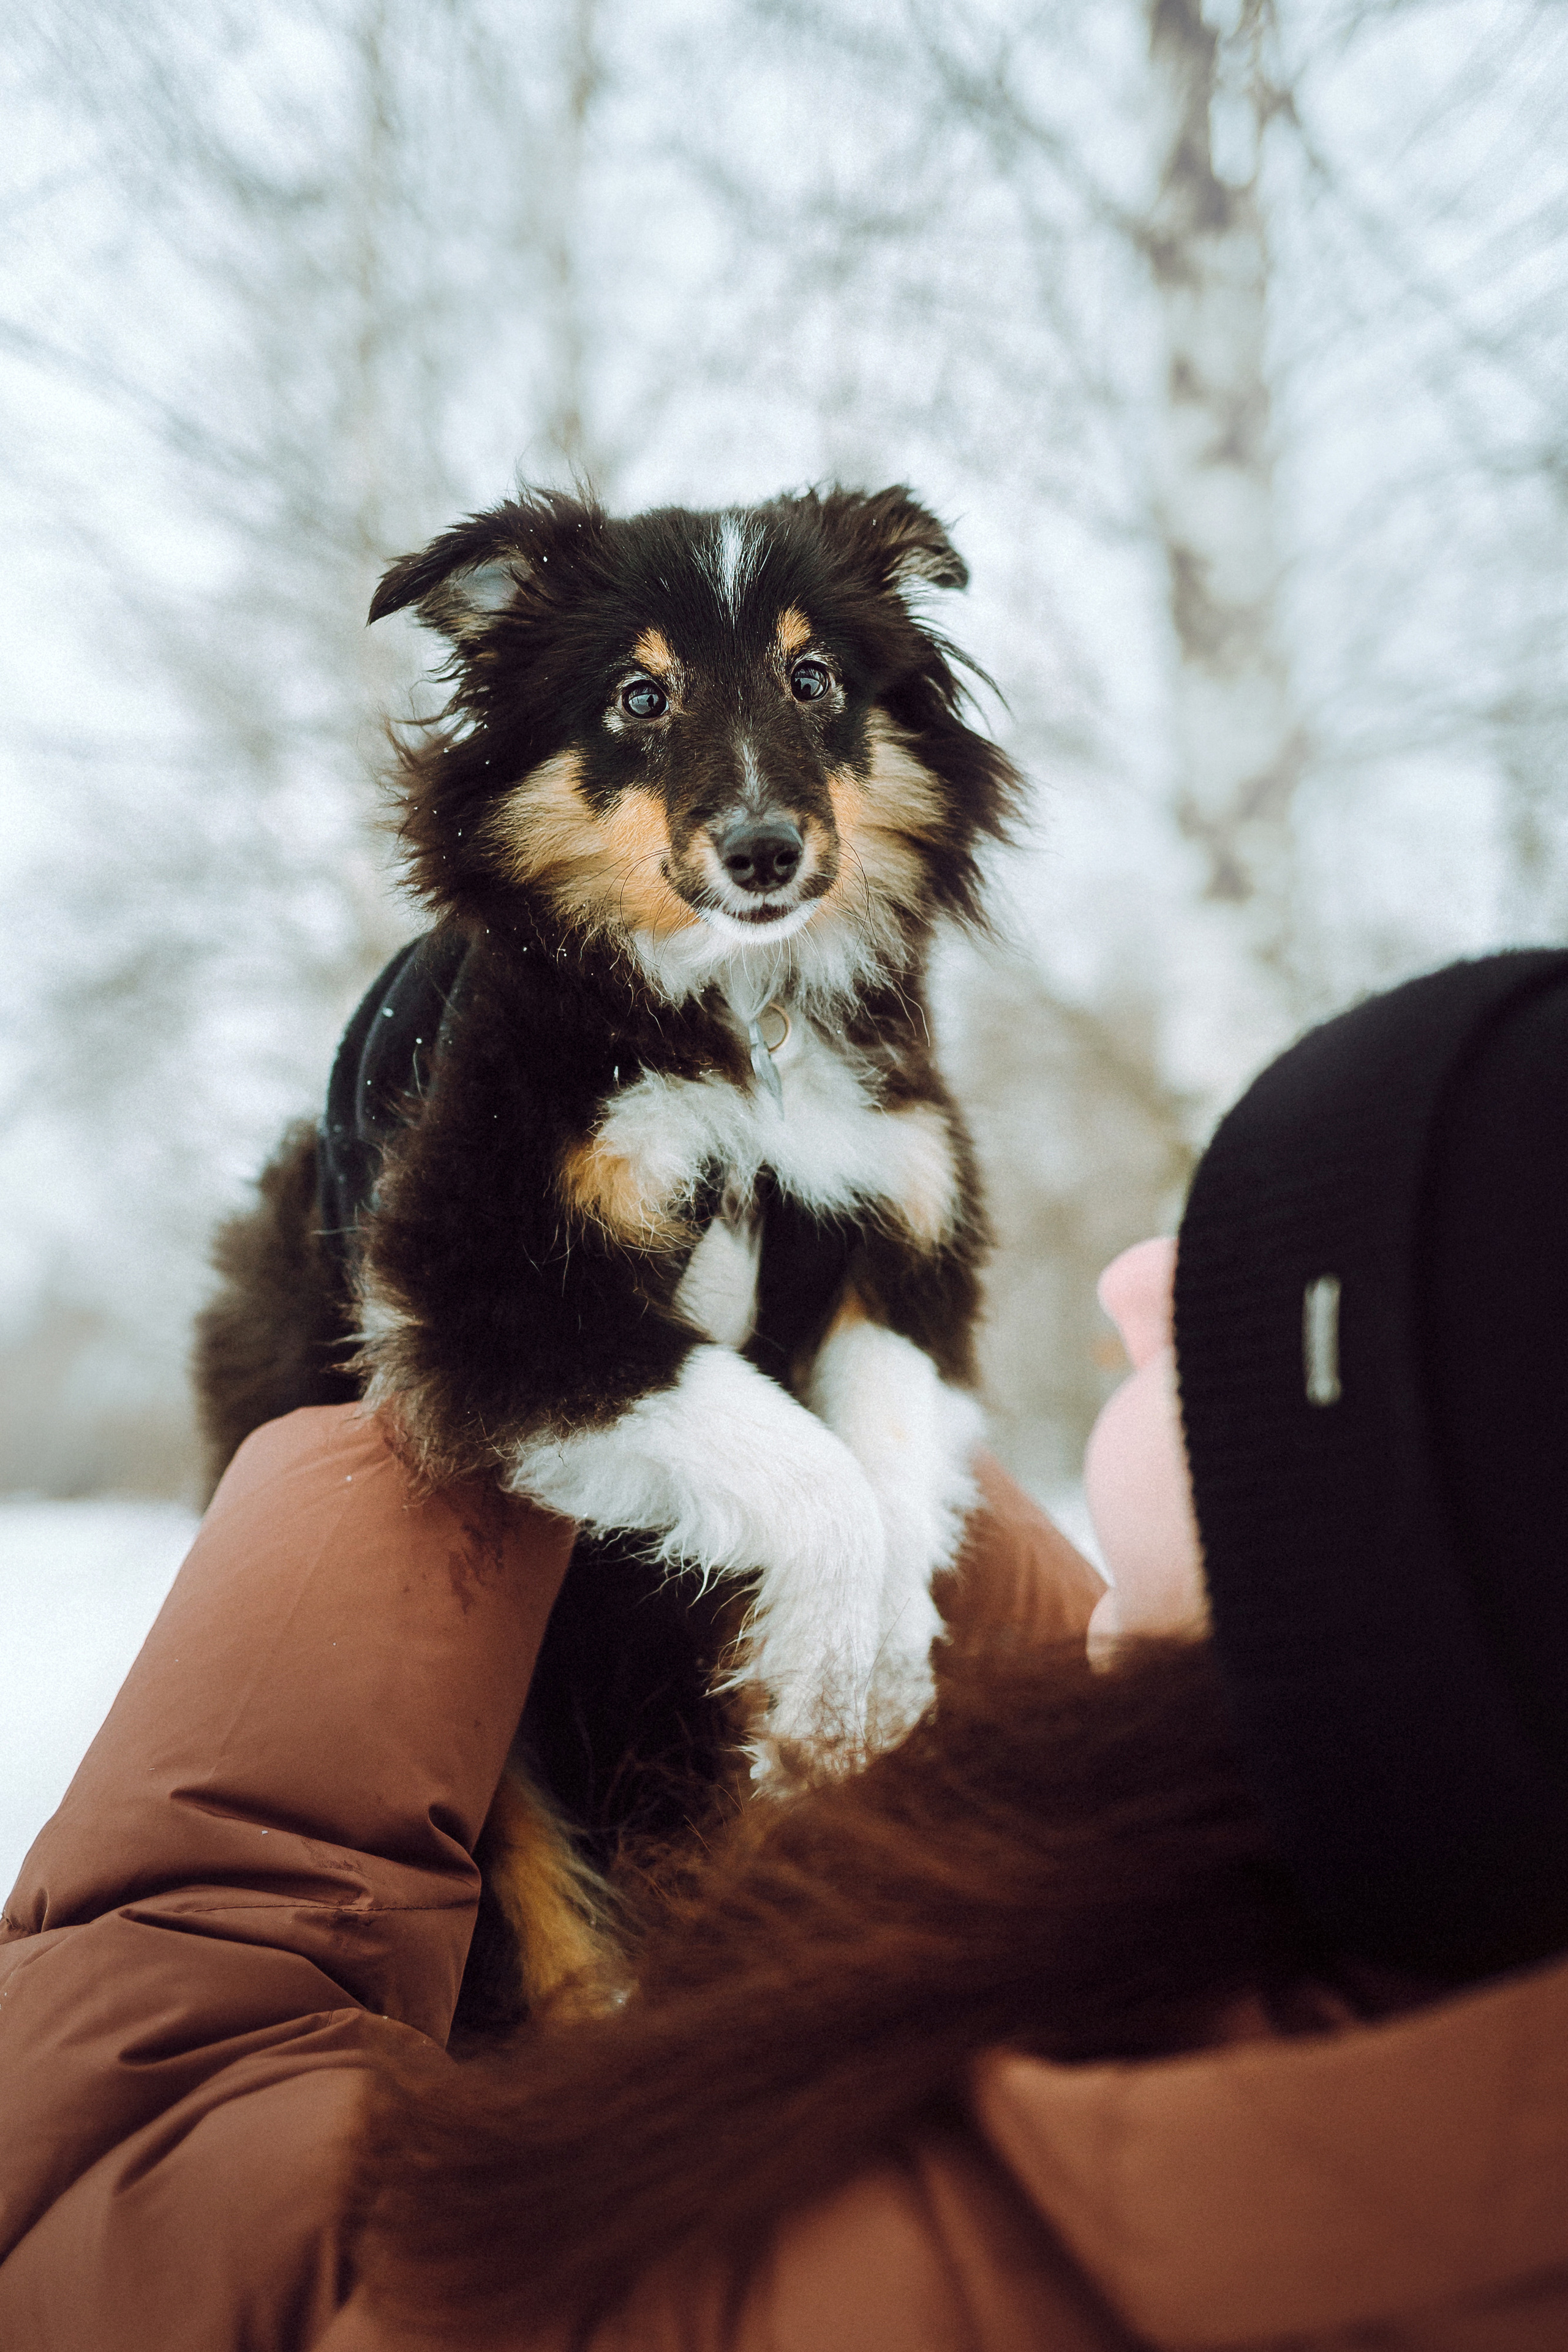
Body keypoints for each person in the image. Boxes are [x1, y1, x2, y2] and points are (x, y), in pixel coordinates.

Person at [5, 948, 1568, 2348]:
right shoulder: (1398, 1927)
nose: (1135, 1279)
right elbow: (1095, 1706)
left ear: (1390, 1544)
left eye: (1234, 1294)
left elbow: (128, 2196)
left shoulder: (945, 2256)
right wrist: (797, 1417)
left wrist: (469, 1353)